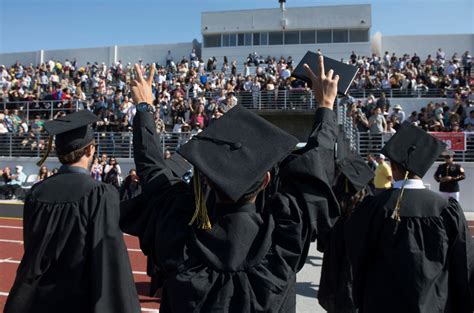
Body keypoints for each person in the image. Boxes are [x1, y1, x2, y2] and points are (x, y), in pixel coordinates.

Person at [120, 55, 340, 312]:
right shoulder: (284, 236)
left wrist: (144, 109)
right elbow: (315, 170)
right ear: (265, 181)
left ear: (208, 181)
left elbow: (153, 169)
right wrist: (326, 106)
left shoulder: (179, 230)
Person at [5, 110, 140, 313]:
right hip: (80, 300)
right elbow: (109, 259)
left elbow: (32, 249)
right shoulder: (100, 194)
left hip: (39, 301)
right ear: (90, 150)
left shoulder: (37, 193)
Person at [345, 121, 474, 313]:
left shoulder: (372, 207)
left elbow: (353, 261)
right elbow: (464, 264)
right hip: (435, 305)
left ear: (392, 165)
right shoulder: (447, 209)